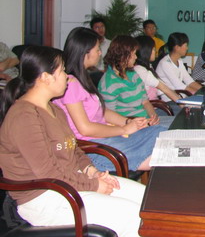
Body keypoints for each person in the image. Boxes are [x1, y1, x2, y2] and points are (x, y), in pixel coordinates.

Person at [0, 46, 182, 237]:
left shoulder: (53, 109)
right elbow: (48, 174)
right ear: (45, 77)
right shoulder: (24, 117)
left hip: (70, 185)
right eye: (62, 71)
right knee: (129, 214)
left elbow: (74, 150)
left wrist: (93, 172)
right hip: (44, 198)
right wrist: (94, 185)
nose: (67, 76)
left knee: (147, 200)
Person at [54, 27, 163, 172]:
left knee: (160, 133)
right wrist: (123, 129)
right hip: (94, 147)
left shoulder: (83, 78)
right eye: (97, 49)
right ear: (85, 52)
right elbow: (85, 129)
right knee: (162, 154)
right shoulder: (71, 84)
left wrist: (129, 122)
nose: (100, 53)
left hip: (105, 137)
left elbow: (103, 112)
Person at [99, 36, 176, 126]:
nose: (136, 57)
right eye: (134, 54)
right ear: (123, 55)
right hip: (132, 125)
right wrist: (135, 123)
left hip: (146, 120)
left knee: (182, 124)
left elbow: (145, 101)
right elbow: (110, 117)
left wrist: (153, 117)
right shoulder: (108, 82)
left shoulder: (132, 74)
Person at [134, 35, 182, 106]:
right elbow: (164, 88)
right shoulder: (140, 70)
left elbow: (163, 87)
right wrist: (183, 104)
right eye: (153, 49)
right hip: (152, 108)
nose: (156, 51)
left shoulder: (148, 66)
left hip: (158, 104)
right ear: (146, 51)